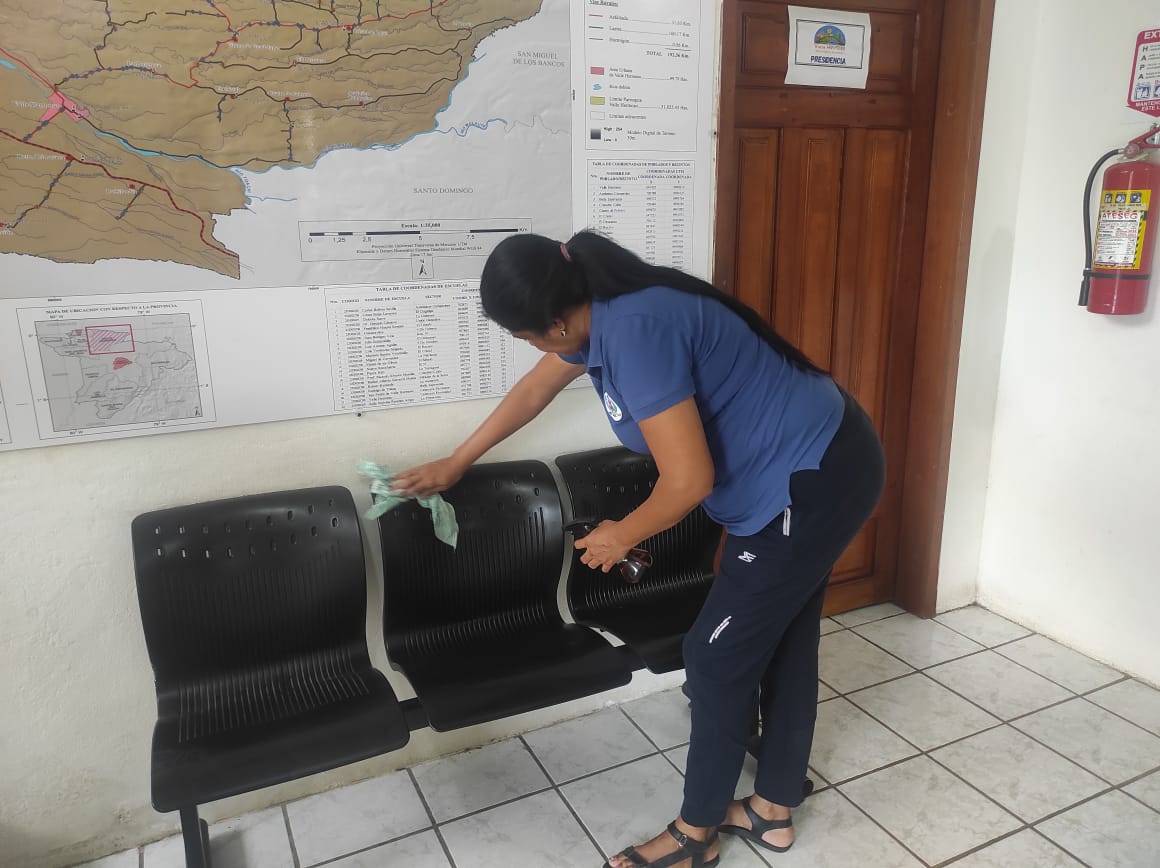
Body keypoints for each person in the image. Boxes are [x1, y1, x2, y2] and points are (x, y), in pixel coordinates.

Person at [393, 231, 885, 867]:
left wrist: (621, 534)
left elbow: (688, 481)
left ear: (555, 321)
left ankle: (696, 835)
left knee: (713, 655)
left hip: (808, 479)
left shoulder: (634, 330)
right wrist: (458, 460)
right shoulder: (596, 308)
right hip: (810, 463)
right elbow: (535, 389)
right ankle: (773, 810)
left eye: (527, 337)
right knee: (781, 633)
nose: (532, 348)